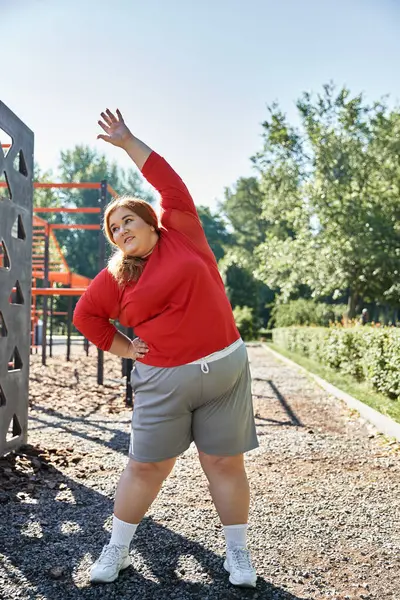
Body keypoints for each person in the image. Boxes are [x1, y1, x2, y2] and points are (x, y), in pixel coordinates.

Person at [73, 109, 259, 589]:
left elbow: (167, 179)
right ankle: (117, 549)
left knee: (223, 462)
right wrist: (127, 349)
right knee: (147, 466)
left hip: (225, 370)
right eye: (113, 229)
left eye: (127, 220)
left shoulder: (184, 233)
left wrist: (128, 141)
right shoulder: (116, 277)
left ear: (151, 221)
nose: (120, 231)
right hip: (161, 381)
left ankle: (237, 555)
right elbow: (86, 318)